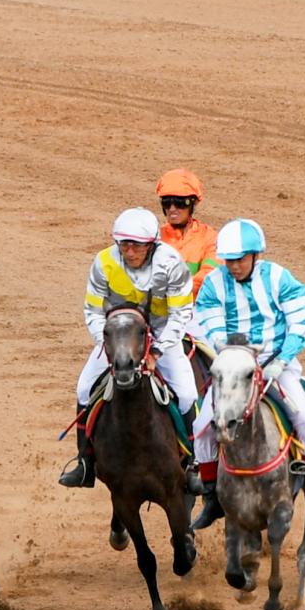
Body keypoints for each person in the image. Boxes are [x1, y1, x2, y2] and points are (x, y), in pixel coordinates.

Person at [191, 218, 305, 523]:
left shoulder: (280, 279)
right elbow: (211, 325)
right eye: (229, 260)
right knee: (203, 426)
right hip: (234, 365)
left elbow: (299, 324)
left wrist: (282, 360)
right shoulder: (214, 284)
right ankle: (210, 495)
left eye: (240, 259)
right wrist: (230, 354)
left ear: (256, 255)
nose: (233, 266)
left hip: (275, 364)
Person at [59, 208, 198, 489]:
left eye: (137, 246)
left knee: (186, 393)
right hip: (119, 339)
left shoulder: (172, 263)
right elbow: (93, 310)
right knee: (84, 389)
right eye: (124, 244)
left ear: (152, 245)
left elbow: (181, 314)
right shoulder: (104, 262)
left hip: (160, 336)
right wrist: (108, 345)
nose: (130, 252)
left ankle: (194, 463)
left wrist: (156, 352)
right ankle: (84, 461)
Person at [156, 168, 219, 297]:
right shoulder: (154, 238)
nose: (172, 209)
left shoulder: (210, 238)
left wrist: (178, 293)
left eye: (179, 203)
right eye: (167, 203)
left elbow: (210, 275)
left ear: (193, 203)